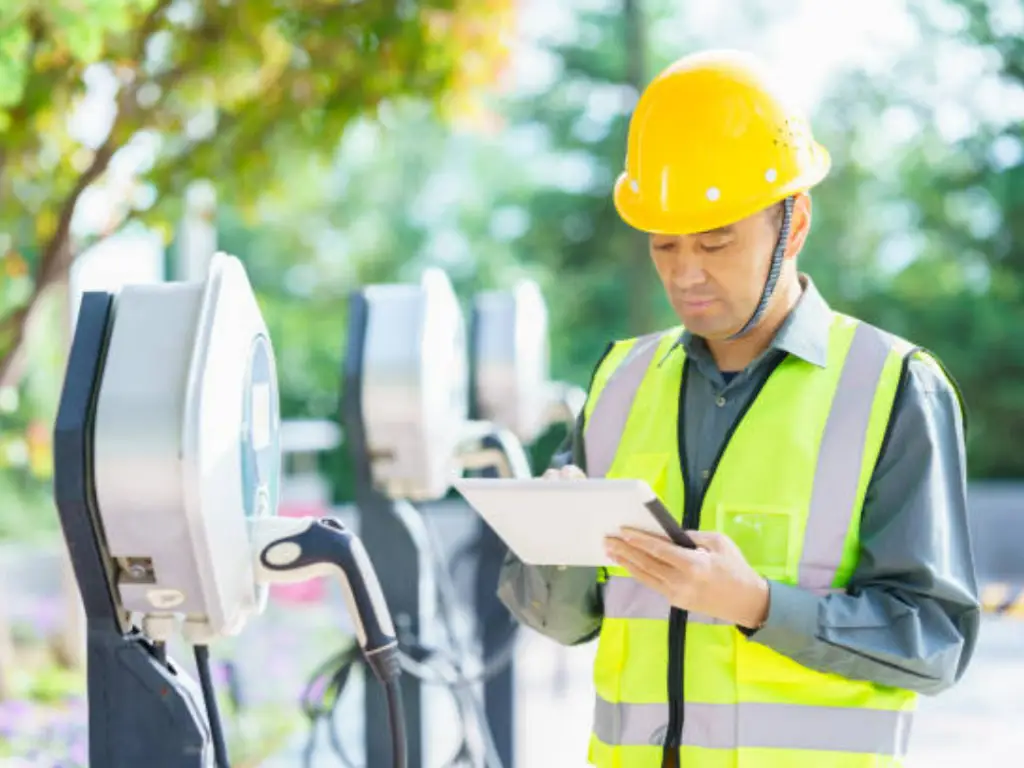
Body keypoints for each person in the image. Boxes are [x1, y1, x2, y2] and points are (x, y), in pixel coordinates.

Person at [496, 49, 980, 768]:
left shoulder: (892, 388)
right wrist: (555, 550)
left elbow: (934, 643)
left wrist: (756, 604)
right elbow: (563, 625)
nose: (686, 273)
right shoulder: (619, 382)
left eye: (716, 242)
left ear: (795, 223)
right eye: (664, 244)